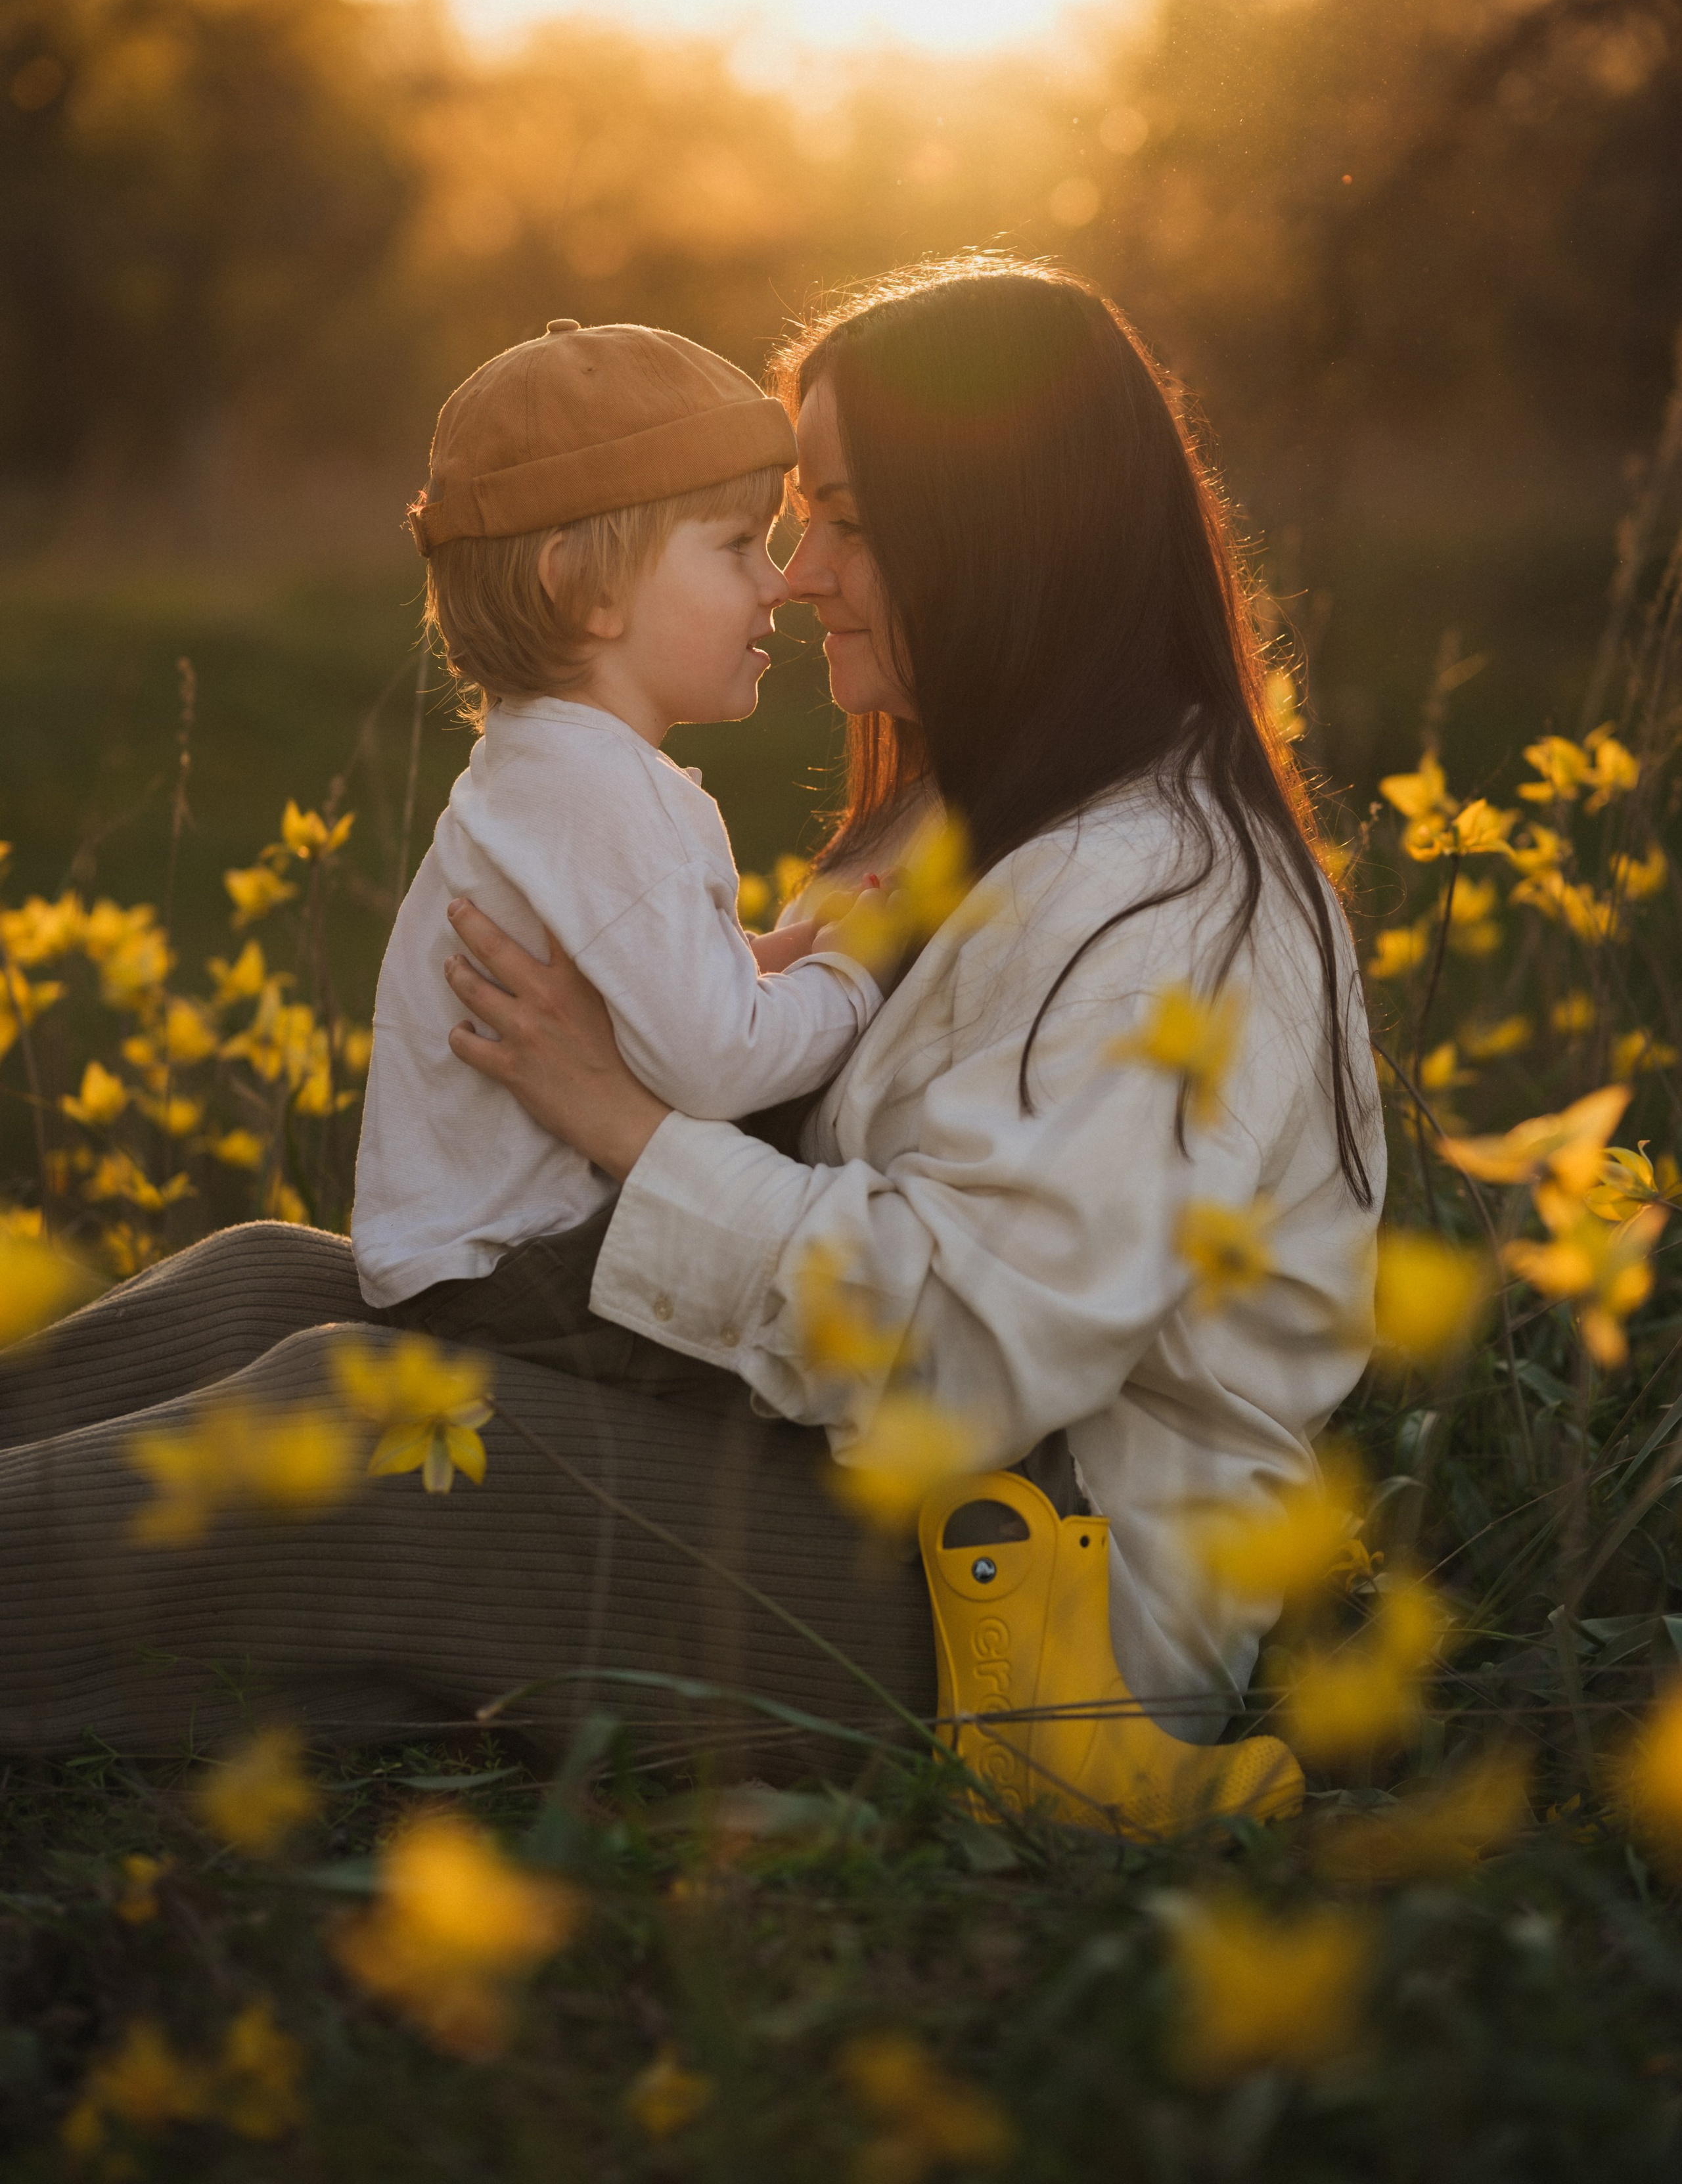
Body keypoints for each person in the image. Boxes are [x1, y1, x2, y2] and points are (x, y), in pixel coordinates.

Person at [0, 260, 1383, 1810]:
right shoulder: (974, 813)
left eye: (846, 522)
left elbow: (967, 1359)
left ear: (1005, 532)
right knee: (267, 1282)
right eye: (781, 528)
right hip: (848, 1475)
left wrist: (622, 1122)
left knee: (382, 1436)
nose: (795, 577)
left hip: (1013, 1609)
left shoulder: (1159, 905)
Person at [352, 316, 884, 1328]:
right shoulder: (611, 794)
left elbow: (638, 991)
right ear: (585, 588)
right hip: (524, 1277)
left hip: (457, 1272)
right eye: (737, 546)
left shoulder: (538, 770)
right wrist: (853, 980)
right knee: (794, 1350)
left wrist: (772, 957)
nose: (779, 583)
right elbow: (716, 1065)